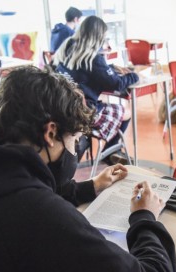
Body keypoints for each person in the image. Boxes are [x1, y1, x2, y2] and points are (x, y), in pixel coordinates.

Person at [0, 67, 176, 272]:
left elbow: (13, 189)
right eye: (73, 139)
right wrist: (145, 217)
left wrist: (88, 188)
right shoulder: (37, 213)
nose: (74, 150)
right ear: (51, 133)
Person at [55, 16, 138, 165]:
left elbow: (85, 71)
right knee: (126, 112)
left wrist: (110, 68)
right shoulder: (94, 58)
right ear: (99, 37)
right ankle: (110, 151)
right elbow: (117, 84)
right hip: (84, 113)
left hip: (61, 107)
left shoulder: (68, 46)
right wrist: (133, 75)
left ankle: (107, 149)